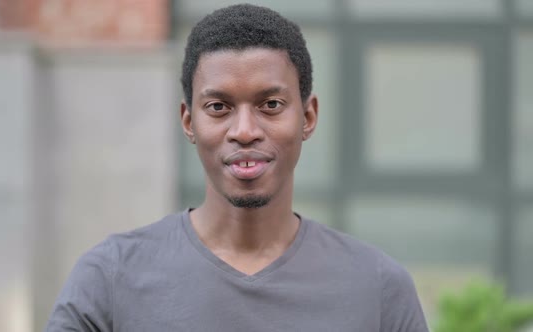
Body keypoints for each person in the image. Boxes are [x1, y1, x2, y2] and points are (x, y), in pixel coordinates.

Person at [46, 4, 429, 331]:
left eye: (271, 105)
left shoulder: (378, 289)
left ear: (308, 116)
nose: (244, 131)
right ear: (188, 122)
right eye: (218, 107)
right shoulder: (109, 278)